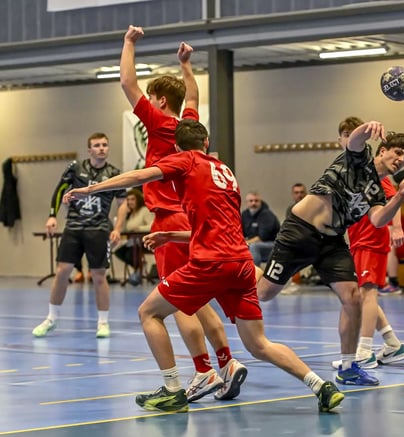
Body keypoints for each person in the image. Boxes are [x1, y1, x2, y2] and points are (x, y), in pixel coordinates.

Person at [63, 120, 344, 414]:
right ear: (206, 142)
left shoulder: (185, 160)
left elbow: (139, 176)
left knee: (149, 312)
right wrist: (171, 235)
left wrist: (91, 189)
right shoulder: (225, 172)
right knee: (259, 344)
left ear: (176, 147)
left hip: (210, 262)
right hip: (241, 263)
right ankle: (321, 386)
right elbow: (219, 226)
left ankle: (173, 389)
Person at [120, 25, 246, 402]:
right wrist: (187, 65)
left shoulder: (158, 123)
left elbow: (127, 83)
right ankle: (226, 363)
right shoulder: (187, 126)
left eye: (151, 98)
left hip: (169, 222)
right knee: (199, 300)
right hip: (193, 225)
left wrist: (129, 43)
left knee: (176, 305)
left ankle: (203, 371)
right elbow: (192, 95)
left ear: (159, 101)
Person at [257, 116, 404, 386]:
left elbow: (378, 220)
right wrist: (368, 127)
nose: (400, 160)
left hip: (332, 241)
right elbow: (355, 140)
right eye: (397, 152)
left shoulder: (379, 191)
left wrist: (400, 197)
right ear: (382, 150)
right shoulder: (359, 160)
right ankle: (245, 266)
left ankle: (348, 368)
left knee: (353, 297)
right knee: (264, 294)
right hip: (300, 231)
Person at [332, 122, 404, 369]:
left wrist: (396, 227)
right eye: (345, 135)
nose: (400, 159)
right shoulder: (356, 171)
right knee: (363, 294)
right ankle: (392, 344)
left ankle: (364, 351)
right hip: (357, 239)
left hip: (371, 239)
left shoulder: (377, 173)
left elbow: (393, 197)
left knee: (367, 293)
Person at [32, 133, 125, 339]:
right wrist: (52, 216)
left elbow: (123, 203)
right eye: (96, 145)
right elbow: (60, 190)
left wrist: (117, 228)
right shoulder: (76, 168)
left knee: (99, 275)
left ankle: (103, 322)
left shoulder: (114, 173)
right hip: (74, 227)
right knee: (62, 271)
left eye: (104, 145)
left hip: (98, 229)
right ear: (89, 150)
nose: (101, 148)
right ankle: (51, 318)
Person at [380, 168, 404, 295]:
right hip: (393, 241)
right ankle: (380, 281)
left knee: (389, 245)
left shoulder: (389, 209)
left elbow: (391, 233)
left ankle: (393, 283)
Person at [113, 188, 154, 285]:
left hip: (144, 241)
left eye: (132, 199)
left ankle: (139, 269)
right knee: (119, 252)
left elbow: (152, 225)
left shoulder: (144, 210)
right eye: (128, 200)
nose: (130, 202)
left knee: (130, 252)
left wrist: (139, 228)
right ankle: (139, 268)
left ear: (138, 200)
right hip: (132, 241)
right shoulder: (131, 214)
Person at [241, 191, 280, 265]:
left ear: (260, 202)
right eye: (251, 201)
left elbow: (262, 237)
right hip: (252, 242)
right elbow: (241, 233)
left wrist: (246, 243)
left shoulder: (267, 214)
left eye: (256, 201)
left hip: (272, 244)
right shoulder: (245, 214)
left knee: (254, 246)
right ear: (246, 203)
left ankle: (255, 270)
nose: (253, 203)